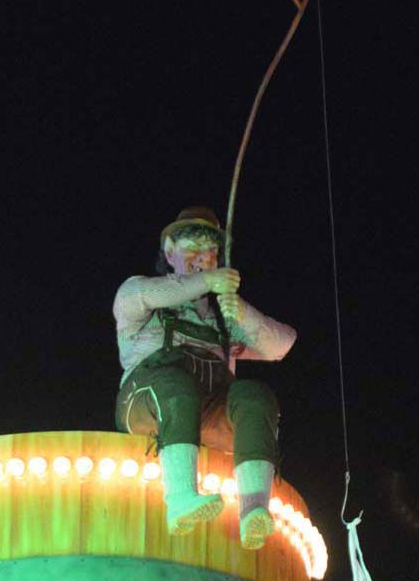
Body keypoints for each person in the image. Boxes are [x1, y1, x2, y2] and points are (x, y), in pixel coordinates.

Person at [113, 206, 296, 548]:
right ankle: (180, 498)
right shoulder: (142, 296)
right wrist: (209, 281)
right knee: (177, 387)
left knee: (254, 395)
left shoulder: (223, 319)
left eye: (210, 252)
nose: (202, 258)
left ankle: (254, 510)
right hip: (147, 403)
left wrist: (240, 310)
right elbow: (141, 295)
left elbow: (281, 345)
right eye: (191, 250)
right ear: (169, 253)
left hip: (206, 412)